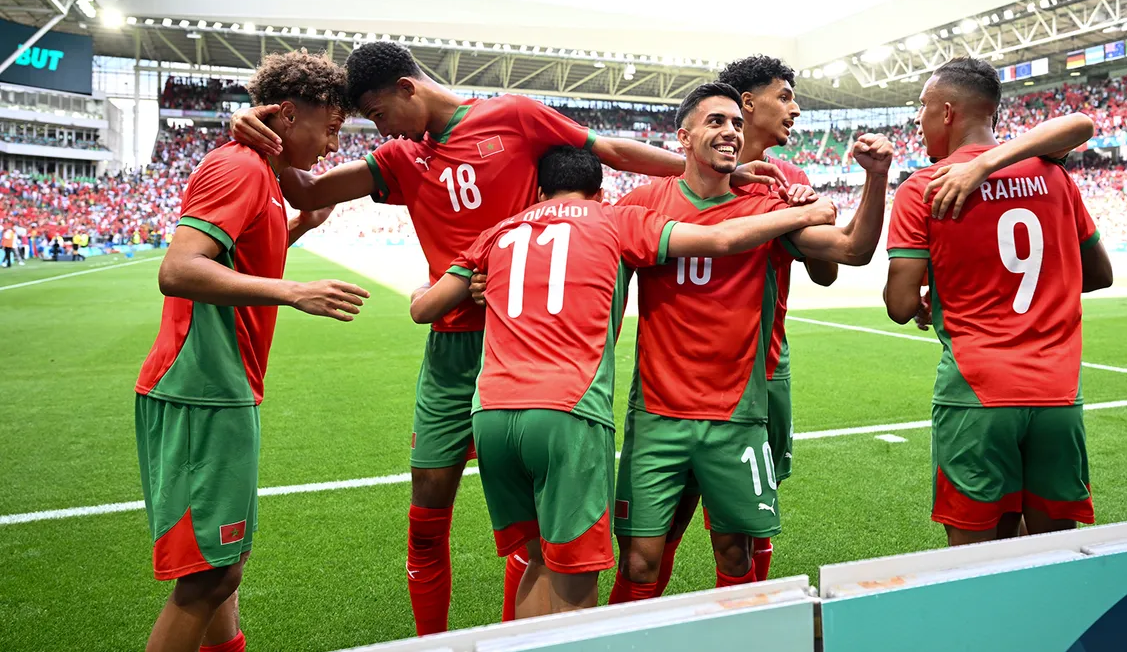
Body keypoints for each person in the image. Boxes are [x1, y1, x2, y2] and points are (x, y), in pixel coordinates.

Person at [228, 41, 784, 634]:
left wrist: (719, 169)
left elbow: (613, 151)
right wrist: (254, 132)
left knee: (537, 538)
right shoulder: (399, 156)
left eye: (379, 113)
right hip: (452, 354)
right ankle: (435, 646)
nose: (379, 128)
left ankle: (519, 640)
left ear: (406, 89)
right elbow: (305, 192)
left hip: (524, 344)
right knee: (428, 519)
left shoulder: (512, 115)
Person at [409, 146, 834, 619]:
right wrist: (807, 211)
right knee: (574, 578)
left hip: (490, 411)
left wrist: (422, 289)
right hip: (567, 410)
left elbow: (424, 310)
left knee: (536, 561)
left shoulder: (500, 230)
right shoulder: (614, 218)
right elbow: (720, 238)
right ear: (599, 191)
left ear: (540, 191)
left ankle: (527, 647)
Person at [608, 82, 894, 605]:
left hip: (737, 415)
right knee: (639, 560)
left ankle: (742, 635)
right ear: (683, 137)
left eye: (736, 124)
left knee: (735, 553)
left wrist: (875, 178)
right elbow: (585, 250)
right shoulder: (644, 201)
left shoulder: (766, 203)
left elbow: (853, 249)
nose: (730, 132)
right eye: (715, 121)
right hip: (656, 414)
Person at [133, 50, 371, 652]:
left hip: (223, 385)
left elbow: (241, 258)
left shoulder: (262, 173)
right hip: (201, 386)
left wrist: (301, 226)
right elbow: (179, 269)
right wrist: (295, 292)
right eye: (330, 129)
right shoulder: (239, 166)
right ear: (288, 115)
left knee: (221, 565)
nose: (331, 146)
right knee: (210, 576)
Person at [884, 56, 1112, 548]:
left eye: (922, 106)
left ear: (947, 112)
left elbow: (900, 305)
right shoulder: (1054, 176)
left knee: (977, 562)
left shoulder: (924, 188)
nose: (918, 119)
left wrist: (941, 292)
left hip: (977, 392)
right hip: (1057, 393)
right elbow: (1099, 274)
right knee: (1055, 554)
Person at [645, 55, 845, 593]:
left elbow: (826, 271)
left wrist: (809, 206)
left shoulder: (790, 180)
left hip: (764, 371)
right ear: (749, 103)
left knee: (746, 525)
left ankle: (747, 618)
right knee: (663, 526)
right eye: (784, 96)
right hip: (678, 382)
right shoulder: (679, 179)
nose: (795, 109)